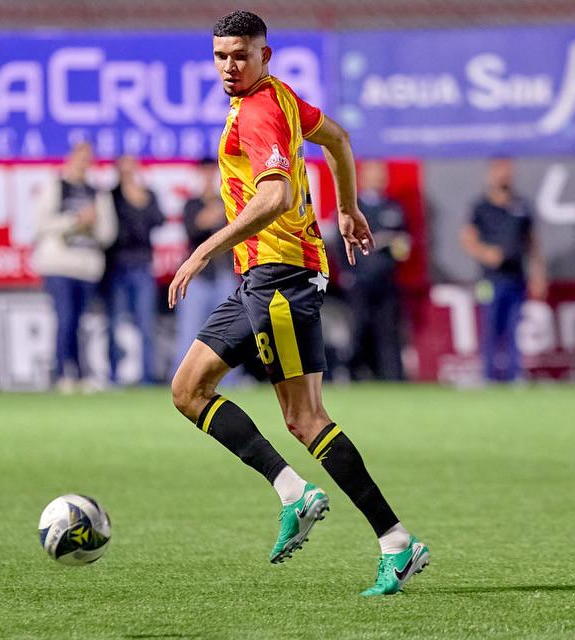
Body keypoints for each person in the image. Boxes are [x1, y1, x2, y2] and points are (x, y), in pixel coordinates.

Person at [168, 11, 428, 597]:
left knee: (306, 419)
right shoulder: (279, 97)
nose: (229, 67)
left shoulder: (260, 108)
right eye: (220, 56)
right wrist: (349, 206)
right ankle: (294, 492)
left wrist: (204, 249)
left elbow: (276, 195)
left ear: (266, 55)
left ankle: (397, 543)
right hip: (258, 279)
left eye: (241, 55)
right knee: (188, 390)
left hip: (280, 280)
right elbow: (338, 138)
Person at [32, 142, 117, 392]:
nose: (83, 163)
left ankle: (80, 374)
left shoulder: (97, 192)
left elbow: (108, 233)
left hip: (86, 267)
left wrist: (93, 224)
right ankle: (62, 374)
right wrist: (74, 221)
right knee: (65, 319)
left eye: (87, 158)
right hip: (59, 266)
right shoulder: (55, 186)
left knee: (80, 323)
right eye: (79, 157)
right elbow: (40, 225)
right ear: (70, 158)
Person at [460, 157, 546, 383]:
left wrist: (538, 273)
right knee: (490, 327)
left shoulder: (521, 205)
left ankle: (514, 375)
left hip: (516, 276)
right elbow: (467, 239)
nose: (504, 175)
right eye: (499, 170)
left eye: (508, 170)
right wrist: (486, 253)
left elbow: (532, 243)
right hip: (490, 279)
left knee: (514, 328)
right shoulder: (481, 206)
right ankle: (488, 376)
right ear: (490, 173)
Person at [170, 157, 239, 381]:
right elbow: (194, 228)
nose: (209, 175)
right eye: (206, 171)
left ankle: (230, 382)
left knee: (230, 333)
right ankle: (182, 381)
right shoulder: (192, 204)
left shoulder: (228, 200)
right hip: (198, 277)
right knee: (189, 332)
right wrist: (212, 212)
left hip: (225, 274)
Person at [344, 160, 411, 381]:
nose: (380, 179)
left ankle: (392, 378)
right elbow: (339, 242)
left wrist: (399, 246)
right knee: (359, 329)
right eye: (375, 175)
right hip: (361, 280)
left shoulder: (393, 207)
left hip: (386, 281)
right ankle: (355, 375)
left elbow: (403, 242)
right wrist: (348, 273)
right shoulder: (352, 207)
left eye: (382, 175)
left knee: (389, 332)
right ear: (363, 178)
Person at [105, 155, 165, 385]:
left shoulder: (146, 194)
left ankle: (147, 376)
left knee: (145, 324)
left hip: (142, 265)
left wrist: (140, 201)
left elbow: (158, 220)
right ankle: (113, 376)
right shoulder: (111, 195)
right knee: (115, 324)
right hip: (117, 267)